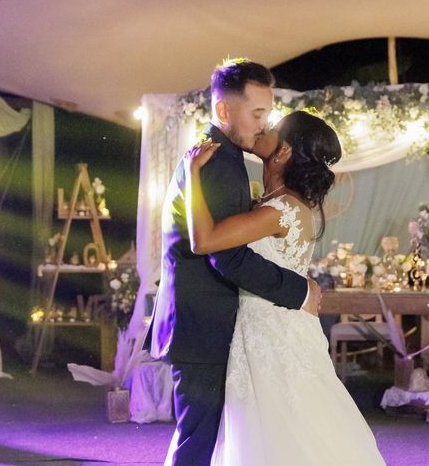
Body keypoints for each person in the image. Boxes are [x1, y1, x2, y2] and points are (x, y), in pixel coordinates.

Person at [142, 59, 322, 466]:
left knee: (208, 440)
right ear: (224, 111)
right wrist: (299, 289)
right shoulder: (218, 165)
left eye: (267, 114)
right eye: (257, 113)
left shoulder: (224, 158)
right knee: (197, 443)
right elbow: (226, 254)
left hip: (203, 321)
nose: (263, 124)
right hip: (203, 323)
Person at [184, 111, 387, 465]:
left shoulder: (281, 209)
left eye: (273, 130)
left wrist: (191, 176)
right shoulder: (281, 202)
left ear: (283, 153)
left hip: (272, 333)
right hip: (275, 327)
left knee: (280, 429)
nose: (262, 128)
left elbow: (204, 241)